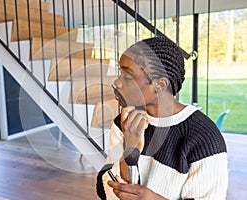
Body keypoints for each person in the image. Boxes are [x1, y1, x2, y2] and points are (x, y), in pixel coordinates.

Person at [96, 36, 228, 200]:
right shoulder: (124, 123)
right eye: (120, 73)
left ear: (160, 84)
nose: (117, 82)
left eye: (127, 77)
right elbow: (106, 188)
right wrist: (129, 150)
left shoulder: (204, 138)